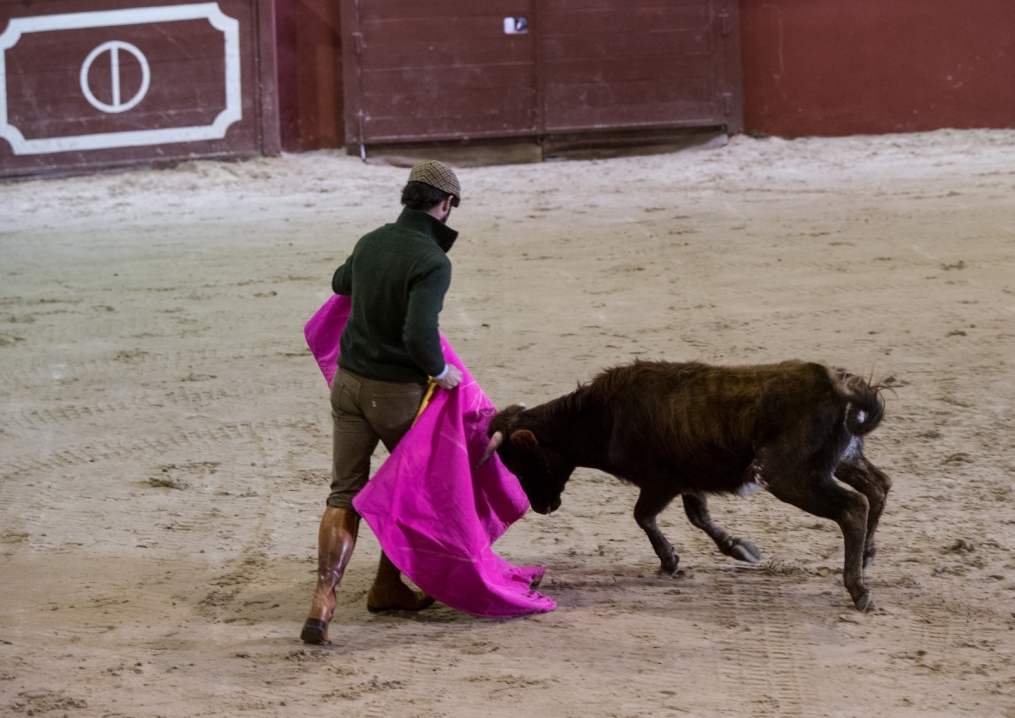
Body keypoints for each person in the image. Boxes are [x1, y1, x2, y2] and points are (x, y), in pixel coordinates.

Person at [301, 161, 465, 645]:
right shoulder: (433, 261)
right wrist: (440, 371)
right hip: (395, 394)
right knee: (407, 489)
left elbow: (340, 283)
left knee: (343, 493)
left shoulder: (371, 240)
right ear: (446, 205)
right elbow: (419, 335)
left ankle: (323, 600)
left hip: (348, 385)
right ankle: (386, 585)